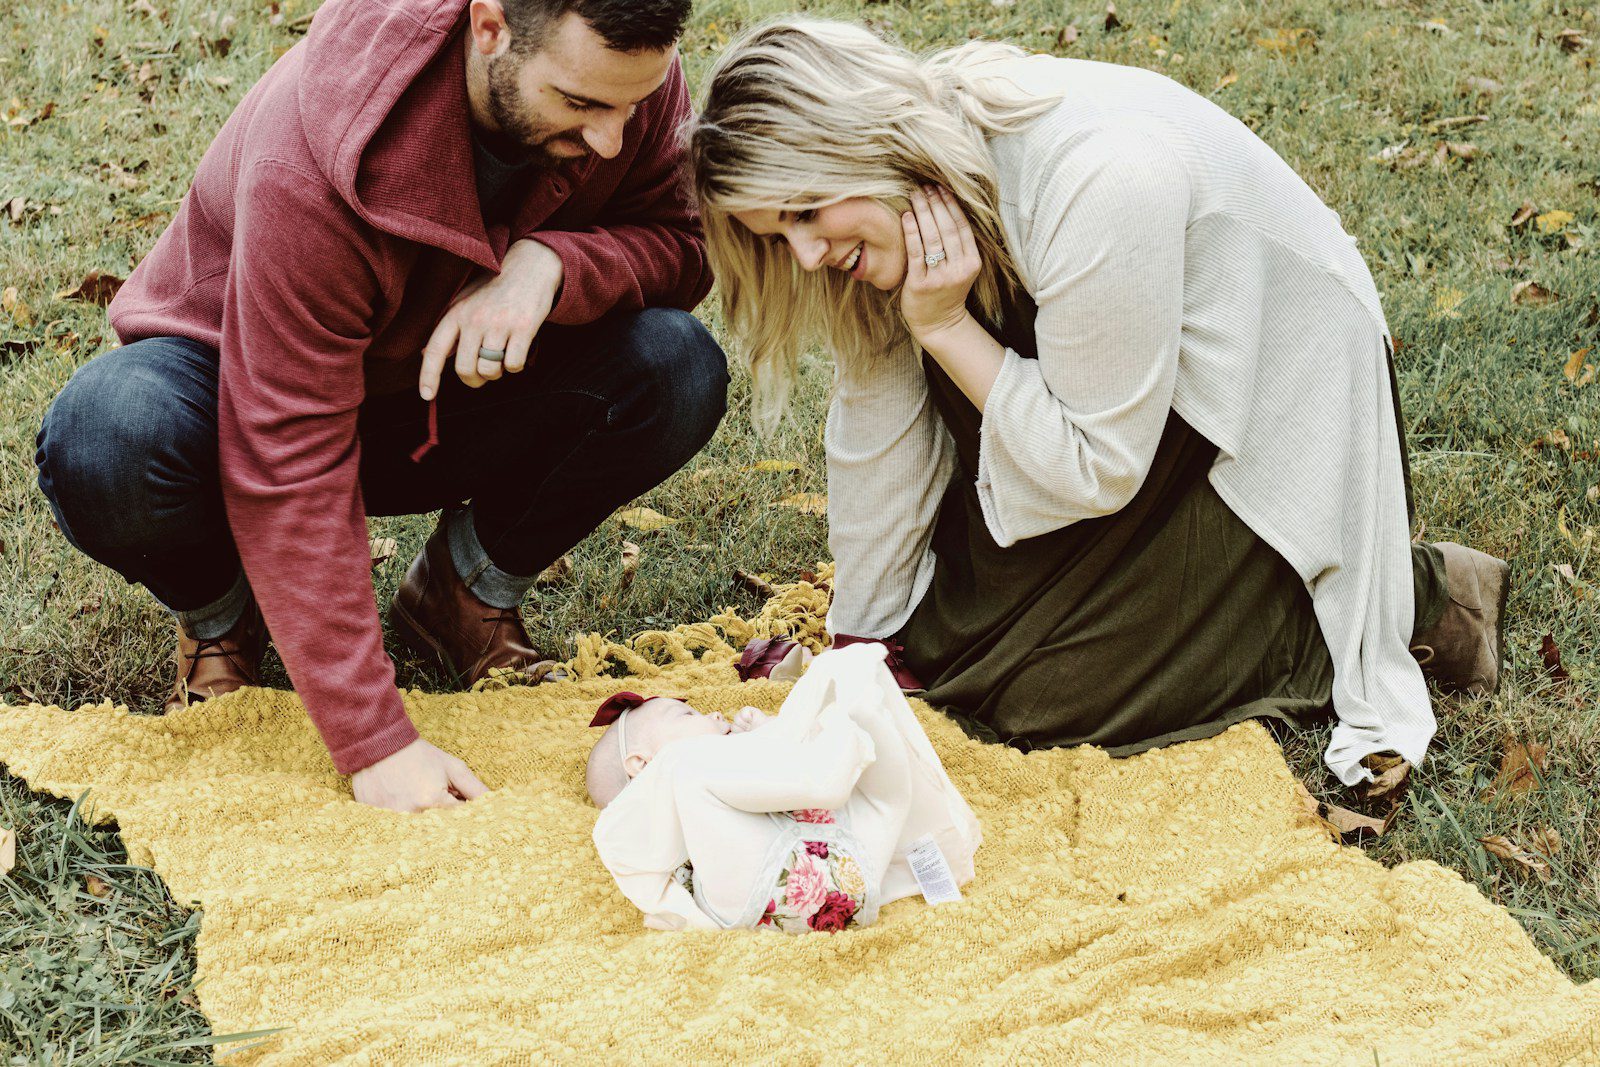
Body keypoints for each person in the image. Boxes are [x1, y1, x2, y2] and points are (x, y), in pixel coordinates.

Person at [683, 18, 1511, 788]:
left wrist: (943, 325)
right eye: (773, 236)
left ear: (855, 140)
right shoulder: (905, 197)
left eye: (803, 211)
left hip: (1252, 412)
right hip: (1111, 404)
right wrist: (859, 646)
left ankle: (1406, 599)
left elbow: (1096, 466)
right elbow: (879, 429)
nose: (807, 252)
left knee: (1047, 700)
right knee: (943, 647)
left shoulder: (1098, 177)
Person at [33, 0, 729, 813]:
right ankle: (225, 614)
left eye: (633, 107)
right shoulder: (313, 155)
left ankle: (460, 595)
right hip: (235, 400)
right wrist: (376, 741)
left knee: (676, 365)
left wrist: (551, 265)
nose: (613, 136)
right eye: (580, 106)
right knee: (106, 433)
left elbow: (683, 244)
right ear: (491, 28)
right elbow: (286, 446)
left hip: (436, 393)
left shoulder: (620, 66)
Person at [587, 643, 981, 932]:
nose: (713, 713)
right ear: (641, 763)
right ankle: (856, 713)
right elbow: (816, 785)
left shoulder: (679, 813)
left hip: (753, 902)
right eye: (687, 713)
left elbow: (775, 794)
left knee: (875, 800)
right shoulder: (682, 766)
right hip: (816, 879)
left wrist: (769, 732)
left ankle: (852, 723)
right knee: (874, 785)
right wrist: (795, 727)